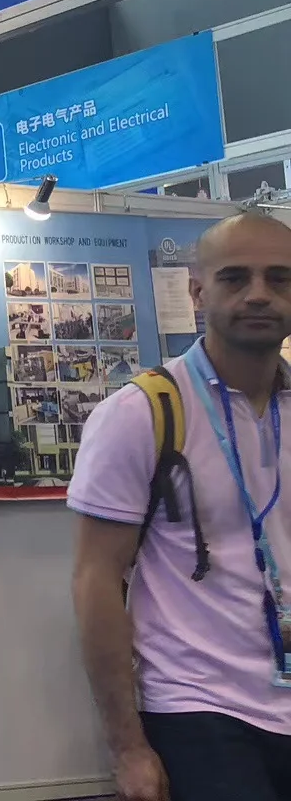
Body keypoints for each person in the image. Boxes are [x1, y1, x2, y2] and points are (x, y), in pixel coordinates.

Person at [70, 212, 291, 801]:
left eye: (279, 278)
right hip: (199, 706)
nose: (259, 294)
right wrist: (127, 746)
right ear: (197, 292)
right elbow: (96, 580)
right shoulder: (141, 413)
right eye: (235, 277)